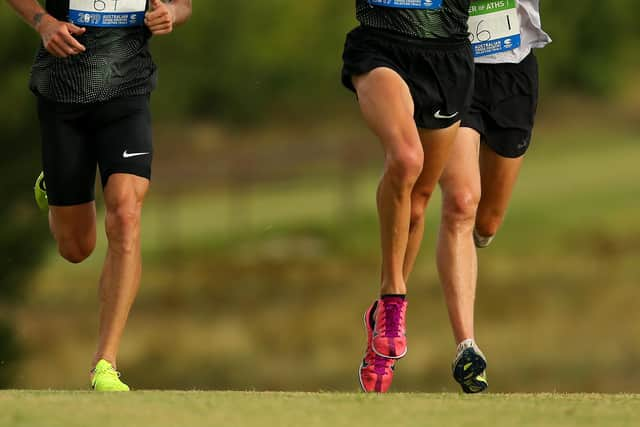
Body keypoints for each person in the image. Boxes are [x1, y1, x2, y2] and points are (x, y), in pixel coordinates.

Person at [7, 0, 192, 391]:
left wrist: (171, 14)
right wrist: (43, 22)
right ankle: (55, 183)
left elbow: (183, 4)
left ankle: (105, 362)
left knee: (125, 215)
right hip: (63, 90)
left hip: (128, 89)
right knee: (76, 248)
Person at [341, 0, 474, 392]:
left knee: (418, 203)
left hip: (447, 57)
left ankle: (380, 321)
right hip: (381, 46)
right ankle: (393, 299)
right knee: (405, 157)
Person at [438, 0, 551, 392]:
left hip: (512, 72)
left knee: (485, 221)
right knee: (460, 202)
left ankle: (477, 239)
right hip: (451, 68)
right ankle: (466, 347)